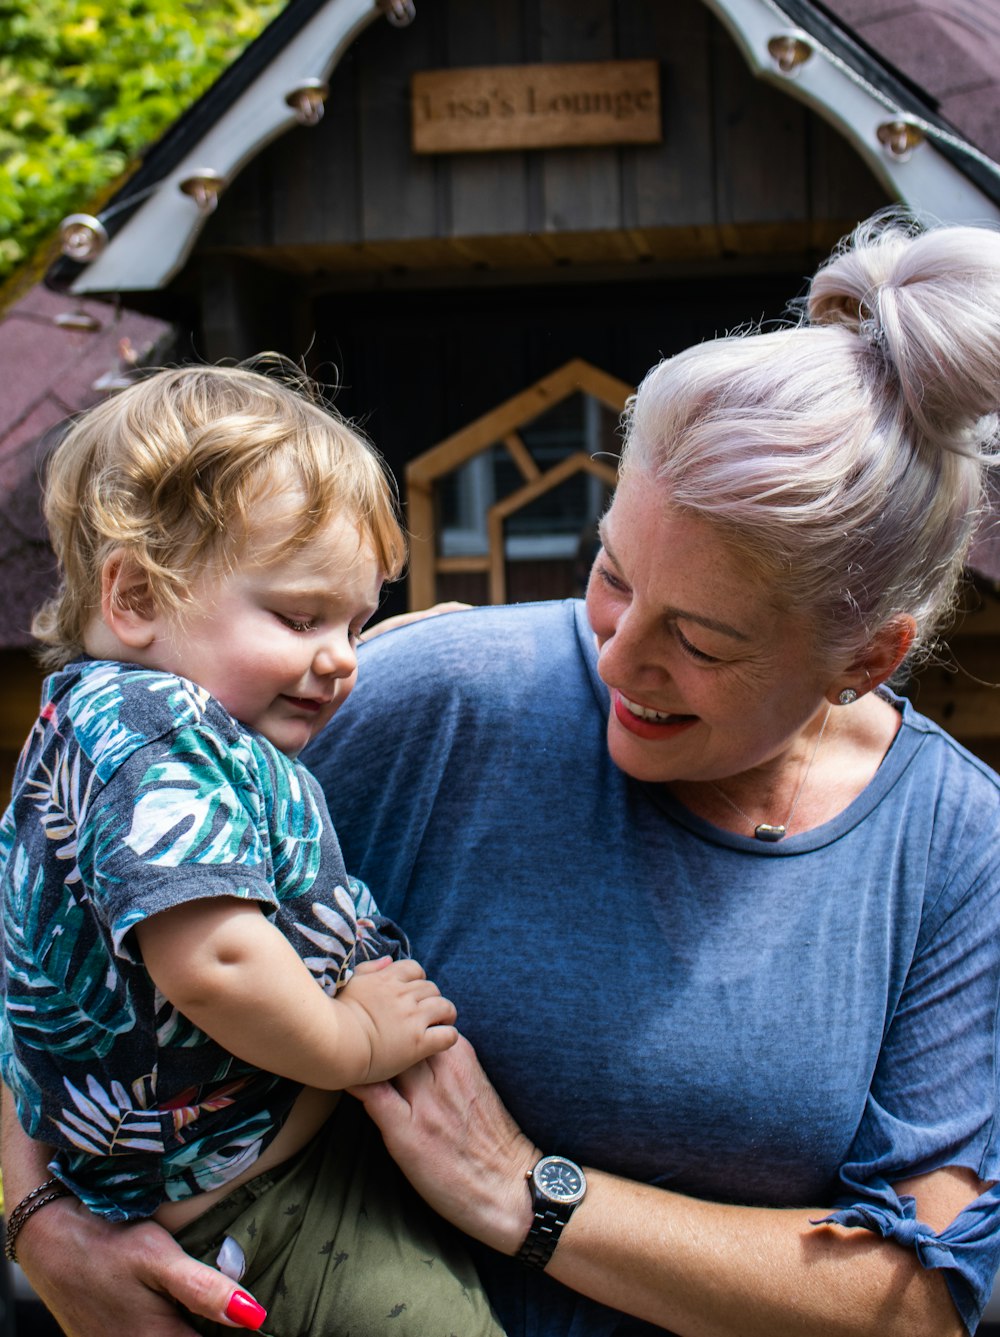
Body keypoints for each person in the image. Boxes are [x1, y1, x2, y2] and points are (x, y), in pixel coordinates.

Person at [4, 212, 1000, 1337]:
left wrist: (523, 1192)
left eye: (703, 640)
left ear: (867, 654)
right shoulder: (432, 693)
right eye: (612, 573)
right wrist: (39, 1214)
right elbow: (66, 888)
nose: (615, 656)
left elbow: (916, 1300)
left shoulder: (958, 845)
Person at [0, 362, 504, 1336]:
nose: (343, 657)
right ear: (138, 594)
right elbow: (216, 962)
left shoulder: (108, 716)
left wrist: (369, 637)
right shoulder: (157, 734)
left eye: (355, 620)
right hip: (250, 1211)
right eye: (303, 616)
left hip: (239, 1170)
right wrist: (358, 1041)